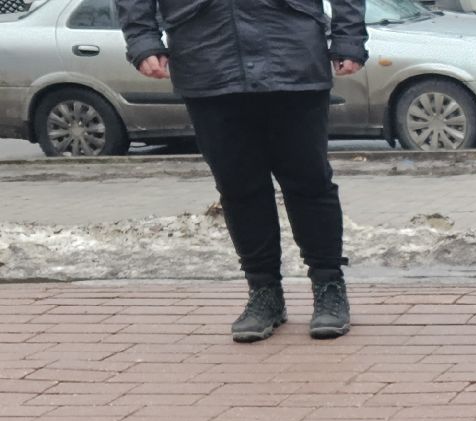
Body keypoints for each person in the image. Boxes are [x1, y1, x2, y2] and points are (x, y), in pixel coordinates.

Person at [115, 0, 365, 342]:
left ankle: (329, 286)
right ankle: (263, 293)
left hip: (290, 49)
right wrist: (143, 40)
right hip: (207, 54)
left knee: (309, 181)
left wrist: (348, 38)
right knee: (238, 186)